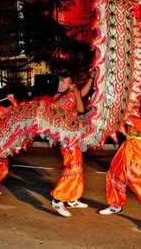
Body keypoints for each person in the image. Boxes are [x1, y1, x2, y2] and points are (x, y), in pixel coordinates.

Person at [99, 72, 141, 232]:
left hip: (139, 146)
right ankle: (115, 204)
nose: (140, 87)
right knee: (114, 173)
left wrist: (138, 134)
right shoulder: (139, 102)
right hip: (129, 144)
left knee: (134, 177)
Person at [50, 70, 94, 217]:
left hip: (75, 136)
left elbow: (82, 95)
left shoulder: (70, 94)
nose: (71, 85)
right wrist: (75, 92)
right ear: (62, 82)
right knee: (72, 167)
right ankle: (58, 198)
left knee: (79, 166)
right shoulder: (59, 98)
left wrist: (91, 79)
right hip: (67, 138)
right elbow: (81, 109)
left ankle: (73, 197)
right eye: (69, 82)